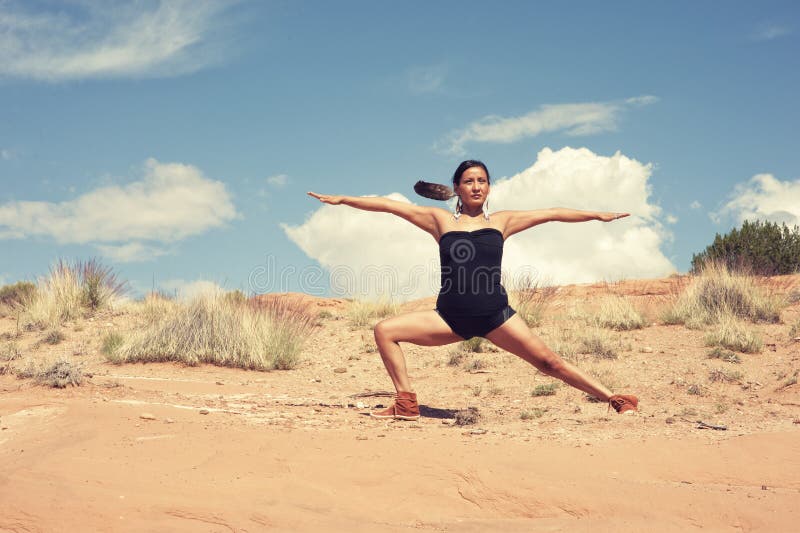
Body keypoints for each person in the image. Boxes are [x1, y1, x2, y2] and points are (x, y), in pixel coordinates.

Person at [307, 160, 638, 421]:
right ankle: (406, 404)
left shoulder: (503, 222)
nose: (476, 186)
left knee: (549, 363)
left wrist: (597, 215)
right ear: (457, 188)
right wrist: (342, 200)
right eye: (469, 181)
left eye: (482, 180)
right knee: (384, 330)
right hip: (450, 318)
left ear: (489, 188)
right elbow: (391, 207)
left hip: (496, 316)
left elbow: (552, 213)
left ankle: (615, 398)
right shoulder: (440, 221)